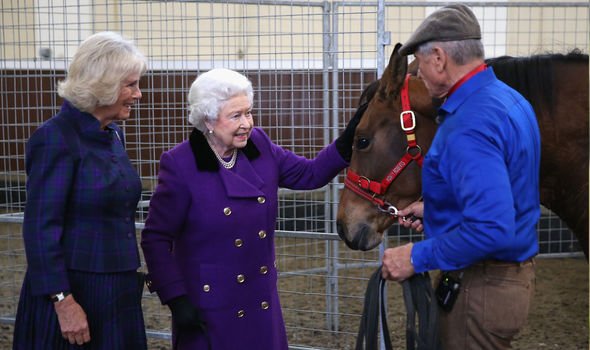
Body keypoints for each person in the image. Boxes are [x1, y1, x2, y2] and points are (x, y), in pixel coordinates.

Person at [140, 68, 361, 349]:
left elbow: (311, 174)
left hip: (260, 299)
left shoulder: (260, 145)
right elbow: (155, 238)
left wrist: (349, 139)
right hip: (210, 306)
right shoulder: (181, 164)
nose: (246, 123)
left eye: (248, 112)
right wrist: (176, 299)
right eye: (236, 116)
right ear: (208, 119)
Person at [380, 4, 540, 349]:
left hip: (479, 290)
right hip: (504, 283)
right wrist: (438, 210)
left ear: (438, 57)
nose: (419, 74)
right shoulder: (508, 101)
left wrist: (414, 257)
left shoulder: (469, 124)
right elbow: (507, 193)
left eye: (419, 64)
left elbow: (490, 228)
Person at [13, 31, 148, 349]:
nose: (138, 94)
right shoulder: (55, 138)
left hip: (117, 290)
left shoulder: (112, 134)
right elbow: (40, 230)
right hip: (74, 294)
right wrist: (63, 301)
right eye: (130, 84)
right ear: (103, 84)